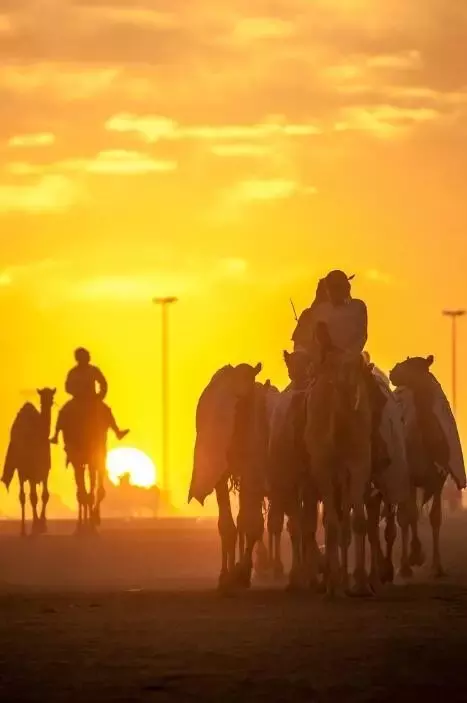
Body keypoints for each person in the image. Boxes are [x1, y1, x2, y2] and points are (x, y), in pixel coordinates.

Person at [50, 348, 129, 444]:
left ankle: (117, 432)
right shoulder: (73, 372)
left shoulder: (93, 370)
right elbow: (67, 387)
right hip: (77, 400)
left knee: (106, 410)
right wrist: (76, 392)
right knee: (63, 412)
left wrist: (101, 395)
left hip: (92, 400)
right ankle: (56, 435)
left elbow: (103, 382)